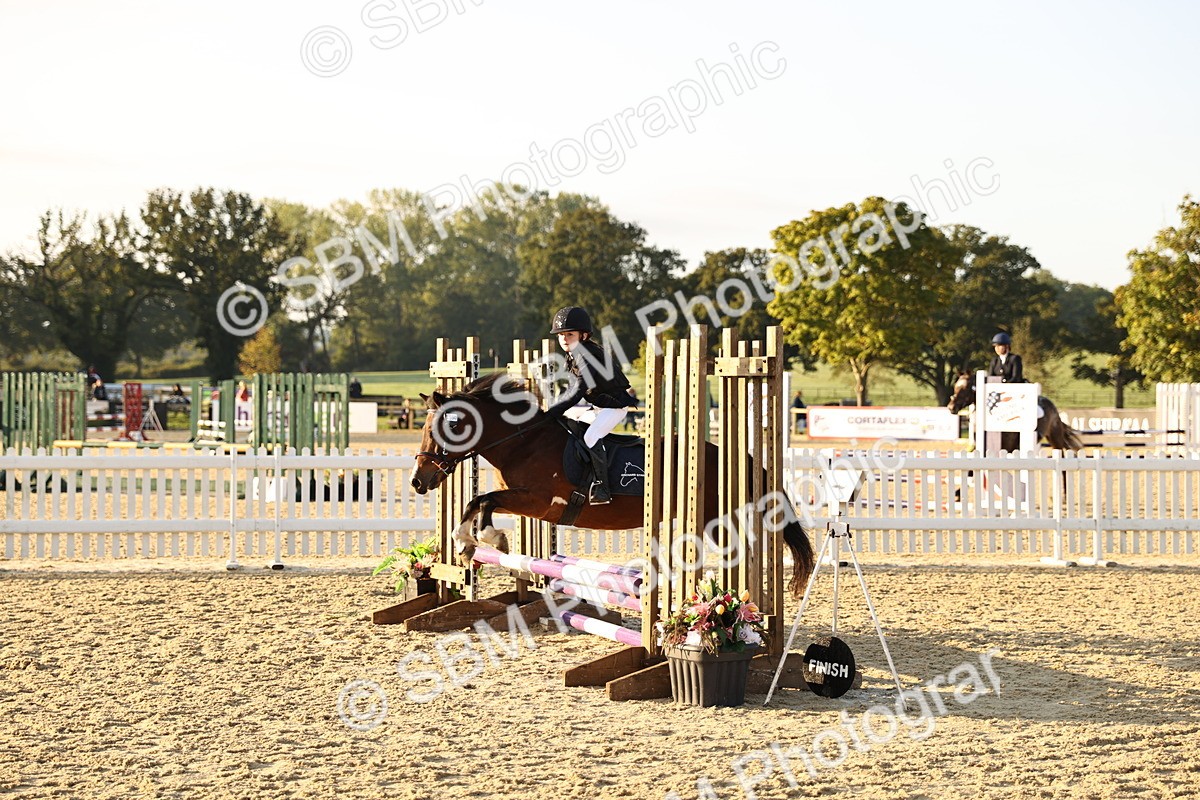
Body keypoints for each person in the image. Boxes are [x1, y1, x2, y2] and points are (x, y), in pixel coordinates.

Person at [544, 306, 632, 505]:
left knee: (590, 436)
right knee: (572, 425)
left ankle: (602, 488)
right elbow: (571, 389)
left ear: (583, 335)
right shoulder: (575, 354)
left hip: (614, 407)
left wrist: (552, 412)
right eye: (561, 335)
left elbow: (579, 391)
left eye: (570, 334)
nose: (564, 338)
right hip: (599, 407)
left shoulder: (587, 355)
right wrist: (555, 411)